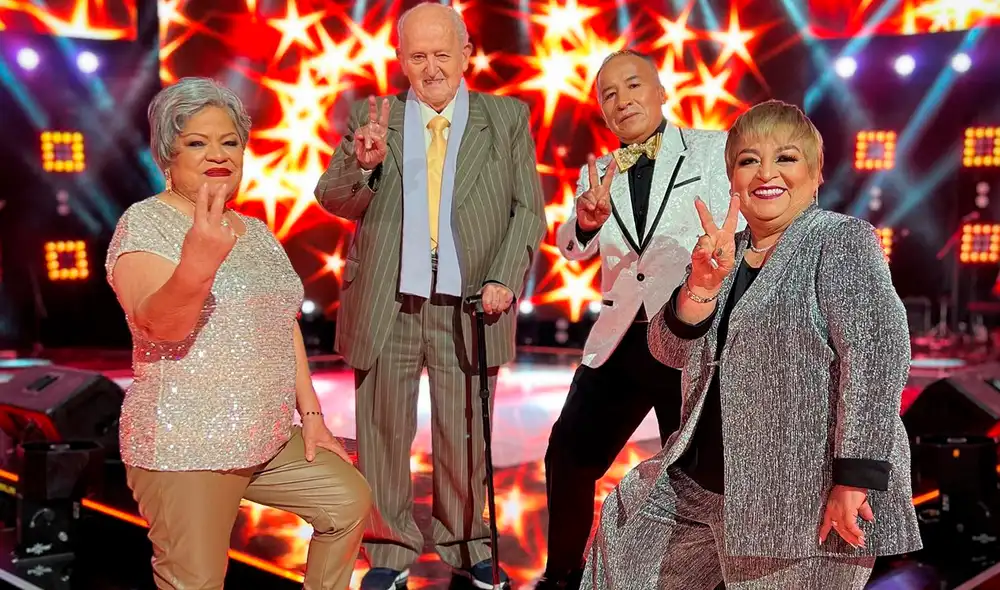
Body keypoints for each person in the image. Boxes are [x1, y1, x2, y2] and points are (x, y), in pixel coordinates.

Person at [581, 99, 923, 589]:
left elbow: (876, 355)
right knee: (623, 547)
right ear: (731, 178)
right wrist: (700, 286)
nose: (766, 173)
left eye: (785, 157)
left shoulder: (839, 240)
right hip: (699, 485)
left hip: (801, 495)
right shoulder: (725, 250)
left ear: (815, 173)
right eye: (748, 160)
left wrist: (856, 476)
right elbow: (669, 351)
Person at [313, 3, 546, 589]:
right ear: (400, 58)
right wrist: (362, 166)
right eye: (418, 55)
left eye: (443, 54)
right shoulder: (375, 117)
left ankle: (468, 544)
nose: (431, 67)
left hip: (470, 301)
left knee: (465, 433)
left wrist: (503, 277)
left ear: (467, 55)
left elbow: (527, 211)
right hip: (388, 300)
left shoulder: (506, 118)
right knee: (382, 433)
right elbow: (334, 199)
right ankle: (388, 550)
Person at [105, 77, 371, 590]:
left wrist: (312, 417)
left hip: (266, 438)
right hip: (186, 443)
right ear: (168, 156)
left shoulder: (258, 232)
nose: (218, 154)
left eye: (229, 142)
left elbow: (282, 323)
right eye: (197, 143)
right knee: (196, 582)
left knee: (346, 502)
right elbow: (159, 325)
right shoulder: (144, 224)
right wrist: (197, 262)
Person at [539, 50, 737, 590]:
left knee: (695, 475)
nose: (622, 100)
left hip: (690, 336)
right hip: (621, 339)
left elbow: (740, 227)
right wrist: (584, 223)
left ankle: (701, 579)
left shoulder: (713, 149)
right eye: (609, 94)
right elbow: (571, 247)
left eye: (633, 85)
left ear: (661, 91)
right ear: (603, 111)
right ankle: (562, 577)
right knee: (568, 454)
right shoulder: (597, 173)